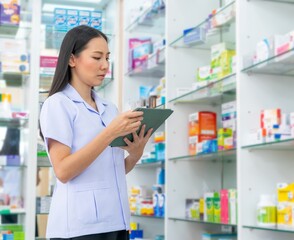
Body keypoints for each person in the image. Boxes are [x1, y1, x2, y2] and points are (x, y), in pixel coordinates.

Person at [39, 25, 153, 240]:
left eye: (107, 58)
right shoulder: (58, 104)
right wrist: (110, 133)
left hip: (116, 221)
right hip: (78, 227)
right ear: (72, 59)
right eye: (97, 57)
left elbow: (110, 170)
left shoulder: (110, 109)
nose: (105, 66)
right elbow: (63, 171)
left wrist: (135, 155)